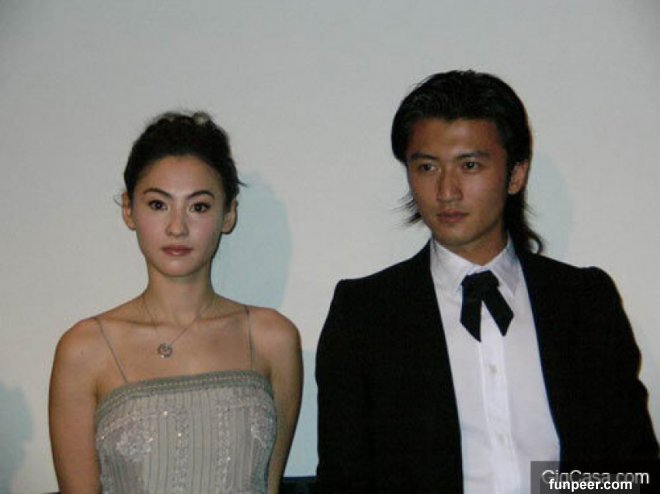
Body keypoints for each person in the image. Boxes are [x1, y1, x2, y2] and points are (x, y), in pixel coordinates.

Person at [316, 70, 658, 493]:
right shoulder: (365, 313)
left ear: (515, 174)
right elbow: (344, 480)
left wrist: (553, 487)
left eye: (470, 165)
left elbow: (632, 469)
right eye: (427, 167)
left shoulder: (584, 301)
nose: (447, 191)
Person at [49, 111, 302, 494]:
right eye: (158, 205)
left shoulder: (273, 339)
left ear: (229, 214)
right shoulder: (84, 349)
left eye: (198, 206)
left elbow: (268, 485)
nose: (177, 227)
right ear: (128, 210)